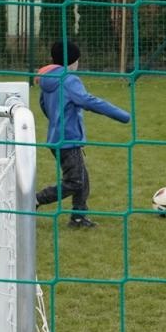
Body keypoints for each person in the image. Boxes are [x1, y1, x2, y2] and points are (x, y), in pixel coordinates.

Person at [35, 40, 130, 229]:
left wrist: (56, 121)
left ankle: (78, 217)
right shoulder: (69, 79)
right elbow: (88, 100)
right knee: (75, 181)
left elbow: (43, 105)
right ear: (72, 61)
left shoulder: (47, 80)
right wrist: (122, 115)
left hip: (56, 138)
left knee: (82, 179)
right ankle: (36, 199)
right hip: (68, 140)